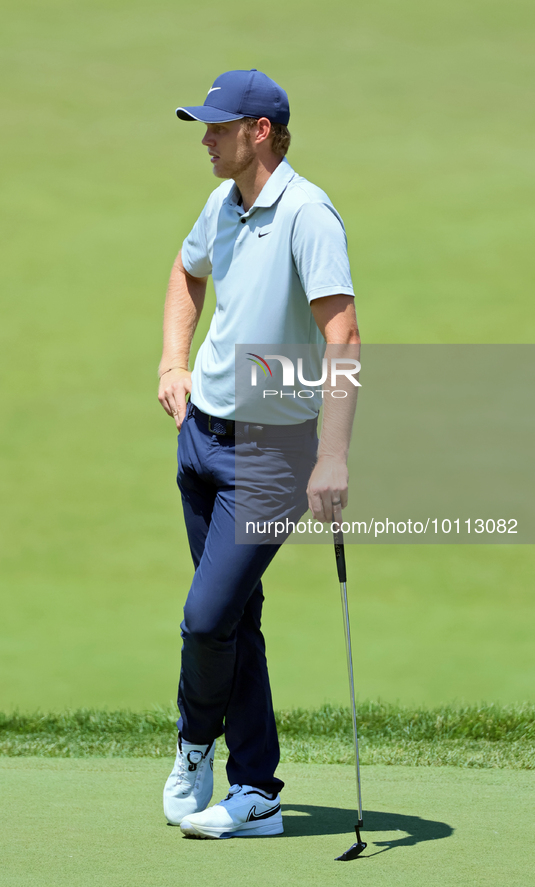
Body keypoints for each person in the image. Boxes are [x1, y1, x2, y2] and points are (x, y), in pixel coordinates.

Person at [158, 69, 360, 839]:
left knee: (207, 618)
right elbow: (185, 271)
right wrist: (172, 363)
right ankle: (255, 789)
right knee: (235, 617)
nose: (204, 139)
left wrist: (331, 457)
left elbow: (341, 336)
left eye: (217, 127)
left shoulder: (308, 215)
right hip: (200, 439)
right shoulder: (224, 204)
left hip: (270, 459)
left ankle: (193, 739)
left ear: (260, 131)